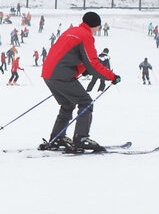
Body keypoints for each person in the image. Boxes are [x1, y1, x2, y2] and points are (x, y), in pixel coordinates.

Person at [39, 12, 118, 152]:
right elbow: (93, 63)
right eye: (98, 27)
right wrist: (112, 76)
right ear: (94, 25)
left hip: (48, 73)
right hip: (61, 74)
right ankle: (81, 138)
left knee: (67, 104)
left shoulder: (71, 31)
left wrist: (83, 69)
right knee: (86, 102)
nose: (97, 30)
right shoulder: (86, 36)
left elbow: (68, 55)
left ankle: (58, 137)